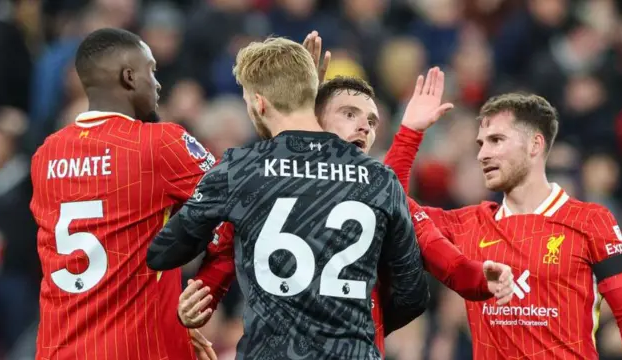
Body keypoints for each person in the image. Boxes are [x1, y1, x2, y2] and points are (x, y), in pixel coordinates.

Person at [177, 73, 516, 356]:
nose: (365, 127)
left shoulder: (269, 183)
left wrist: (481, 278)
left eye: (371, 121)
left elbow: (448, 261)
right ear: (315, 121)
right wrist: (197, 303)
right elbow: (221, 259)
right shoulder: (267, 183)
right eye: (349, 114)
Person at [146, 37, 430, 359]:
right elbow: (413, 295)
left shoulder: (239, 169)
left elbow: (164, 253)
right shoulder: (381, 178)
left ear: (259, 103)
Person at [383, 71, 622, 359]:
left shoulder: (590, 221)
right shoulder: (467, 224)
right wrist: (410, 132)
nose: (482, 155)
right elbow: (391, 206)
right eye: (481, 144)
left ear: (535, 145)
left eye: (496, 140)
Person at [29, 28, 217, 360]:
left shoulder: (46, 154)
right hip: (134, 348)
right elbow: (242, 191)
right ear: (129, 77)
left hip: (59, 347)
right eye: (151, 70)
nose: (158, 84)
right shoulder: (159, 143)